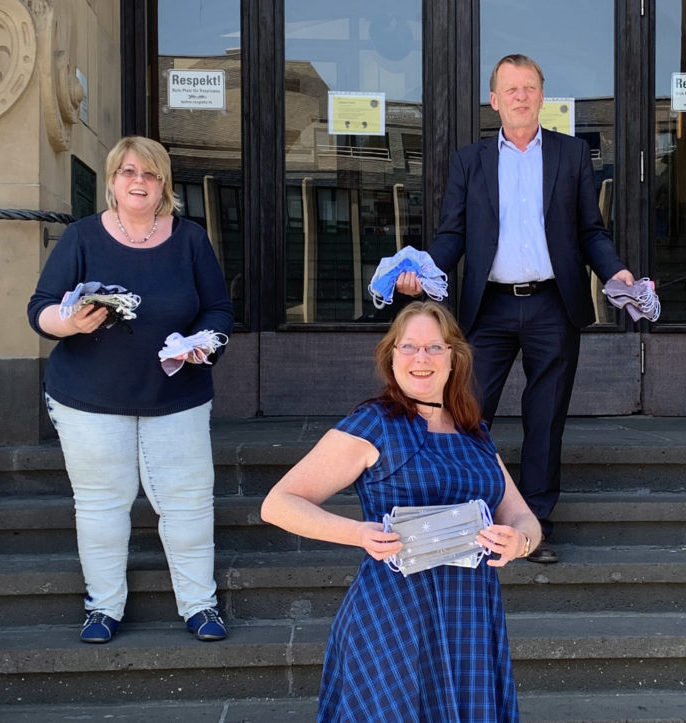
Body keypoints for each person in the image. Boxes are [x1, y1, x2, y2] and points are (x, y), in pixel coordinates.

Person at [396, 54, 636, 563]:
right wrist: (424, 272)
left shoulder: (572, 156)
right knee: (468, 411)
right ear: (494, 100)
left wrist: (616, 271)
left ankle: (535, 526)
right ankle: (468, 515)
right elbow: (452, 234)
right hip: (489, 308)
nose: (521, 96)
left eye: (529, 87)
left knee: (545, 417)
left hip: (553, 303)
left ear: (542, 96)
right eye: (511, 89)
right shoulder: (470, 161)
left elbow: (591, 231)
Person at [260, 301, 541, 722]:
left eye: (434, 348)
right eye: (408, 347)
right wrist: (358, 534)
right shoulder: (373, 424)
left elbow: (523, 517)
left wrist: (520, 541)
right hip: (394, 617)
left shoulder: (475, 432)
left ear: (453, 359)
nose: (420, 359)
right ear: (391, 357)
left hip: (470, 619)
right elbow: (278, 504)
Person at [27, 136, 234, 644]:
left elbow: (219, 311)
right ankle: (103, 607)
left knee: (188, 504)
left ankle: (199, 606)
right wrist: (71, 323)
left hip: (176, 397)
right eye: (127, 172)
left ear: (164, 184)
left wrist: (202, 344)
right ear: (113, 181)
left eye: (150, 173)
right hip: (89, 397)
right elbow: (41, 308)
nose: (138, 181)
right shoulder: (80, 237)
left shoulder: (190, 239)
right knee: (100, 505)